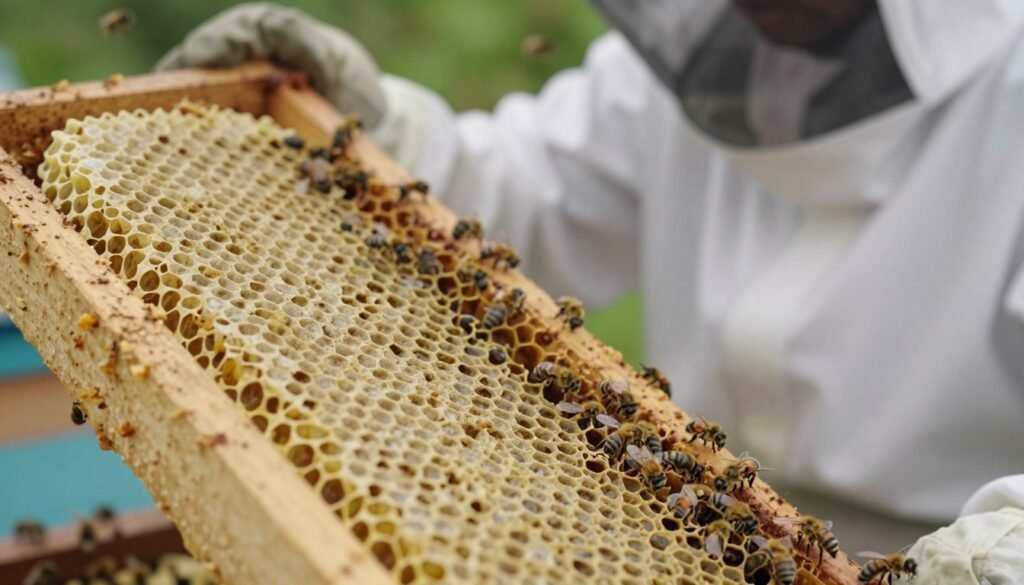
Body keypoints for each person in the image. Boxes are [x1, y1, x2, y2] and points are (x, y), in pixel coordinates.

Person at [159, 1, 1024, 580]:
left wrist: (994, 554)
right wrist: (377, 129)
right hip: (686, 532)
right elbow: (507, 212)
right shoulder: (697, 51)